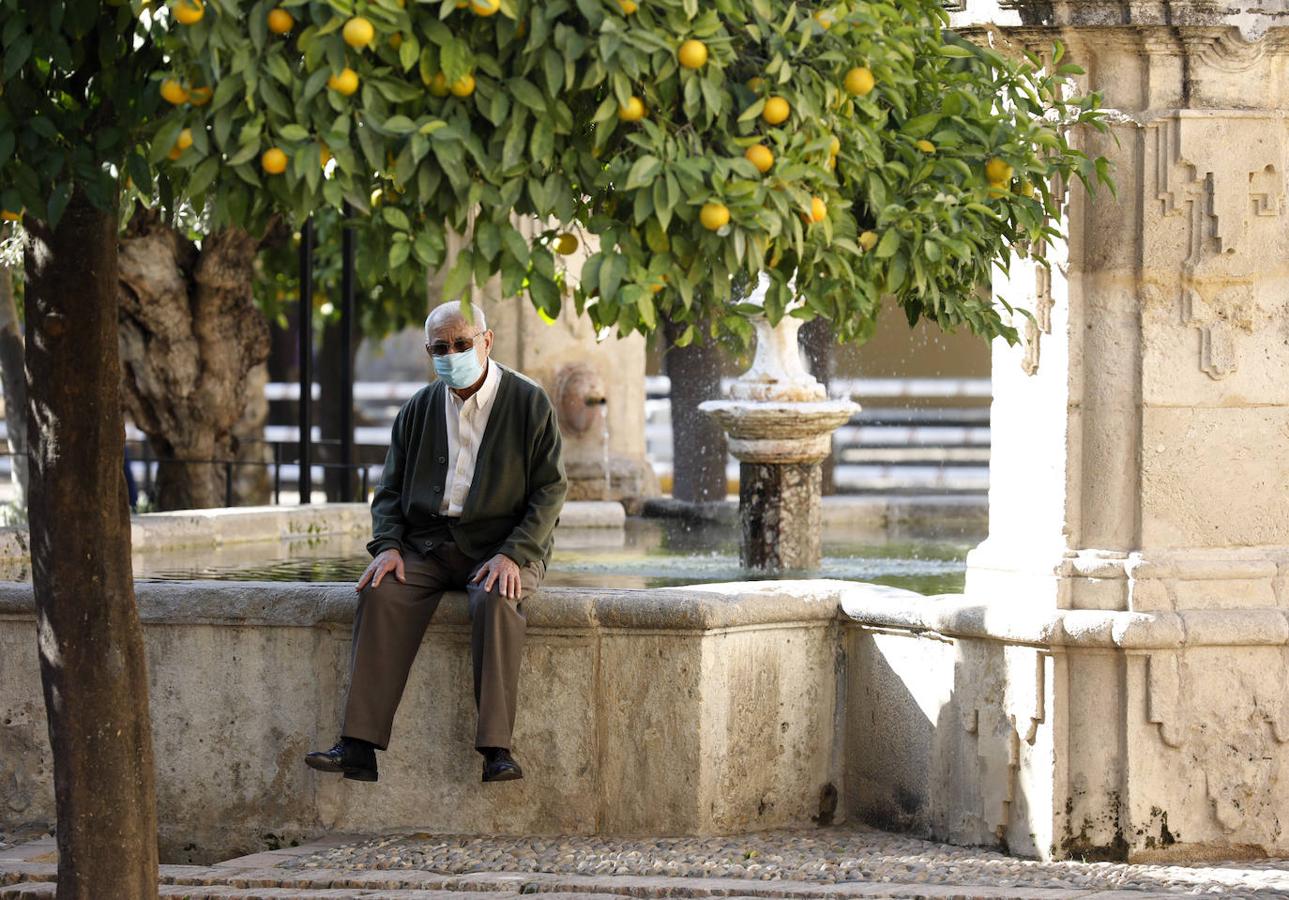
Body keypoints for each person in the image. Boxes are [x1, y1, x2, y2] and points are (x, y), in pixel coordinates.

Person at [306, 300, 567, 784]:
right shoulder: (419, 408)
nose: (453, 354)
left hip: (504, 545)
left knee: (496, 598)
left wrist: (514, 553)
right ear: (430, 352)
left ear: (486, 342)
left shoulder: (529, 403)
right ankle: (358, 747)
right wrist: (386, 545)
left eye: (463, 343)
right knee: (380, 591)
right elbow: (387, 491)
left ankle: (496, 750)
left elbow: (551, 490)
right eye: (441, 347)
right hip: (428, 545)